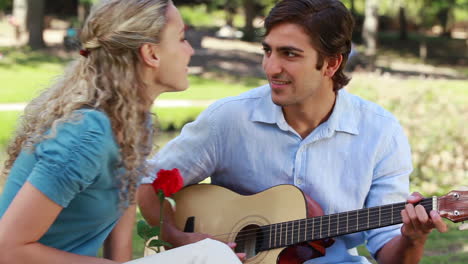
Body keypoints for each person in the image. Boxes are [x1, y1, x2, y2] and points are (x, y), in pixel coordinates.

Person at [137, 0, 448, 263]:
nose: (271, 68)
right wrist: (179, 238)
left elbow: (389, 251)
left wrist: (413, 239)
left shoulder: (380, 132)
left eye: (289, 54)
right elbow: (148, 185)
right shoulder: (229, 119)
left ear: (331, 63)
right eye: (268, 51)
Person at [0, 1, 241, 264]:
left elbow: (121, 233)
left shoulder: (134, 124)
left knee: (214, 255)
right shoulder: (86, 136)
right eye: (182, 38)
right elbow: (9, 250)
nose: (190, 50)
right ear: (151, 53)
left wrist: (178, 240)